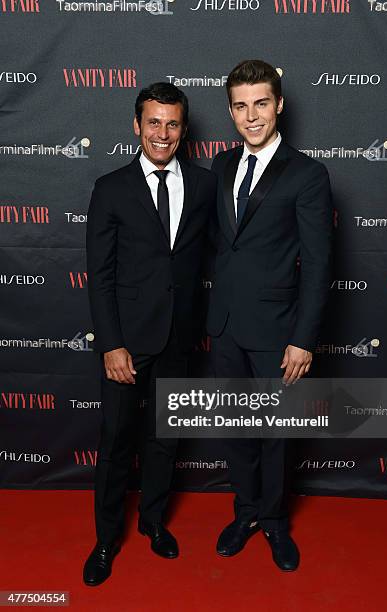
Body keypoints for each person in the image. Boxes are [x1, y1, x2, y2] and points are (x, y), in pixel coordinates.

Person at [83, 82, 216, 586]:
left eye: (173, 123)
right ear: (137, 126)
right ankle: (104, 539)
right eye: (153, 122)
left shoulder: (204, 187)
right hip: (127, 343)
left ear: (185, 130)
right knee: (116, 441)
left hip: (179, 339)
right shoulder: (110, 188)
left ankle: (154, 522)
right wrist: (111, 343)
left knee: (164, 440)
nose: (163, 133)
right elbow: (100, 275)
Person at [207, 60, 332, 571]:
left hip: (279, 330)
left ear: (279, 104)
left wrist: (303, 339)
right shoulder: (218, 165)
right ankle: (246, 512)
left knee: (278, 432)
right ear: (231, 111)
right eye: (241, 105)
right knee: (237, 427)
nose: (251, 116)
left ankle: (275, 521)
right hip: (225, 326)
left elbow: (321, 263)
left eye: (261, 103)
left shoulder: (307, 173)